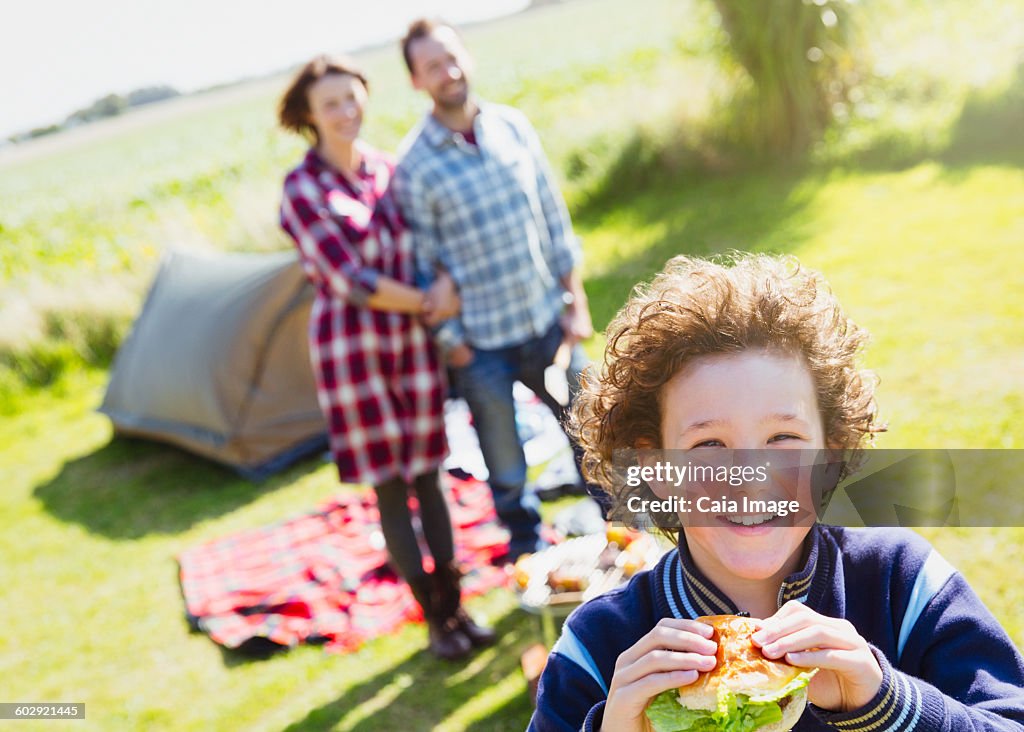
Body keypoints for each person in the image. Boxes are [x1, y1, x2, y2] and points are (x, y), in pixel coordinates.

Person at [529, 254, 1024, 730]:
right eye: (710, 444)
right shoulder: (596, 647)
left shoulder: (903, 582)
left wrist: (885, 701)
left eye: (783, 439)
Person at [277, 55, 494, 660]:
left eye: (352, 98)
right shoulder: (301, 190)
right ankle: (434, 621)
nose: (346, 112)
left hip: (412, 348)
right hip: (354, 355)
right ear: (309, 117)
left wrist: (444, 283)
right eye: (331, 105)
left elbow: (430, 240)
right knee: (392, 490)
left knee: (430, 477)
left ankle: (457, 608)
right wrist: (429, 300)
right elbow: (350, 279)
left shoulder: (389, 171)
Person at [393, 19, 597, 558]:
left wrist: (575, 300)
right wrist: (453, 344)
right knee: (505, 463)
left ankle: (624, 536)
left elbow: (554, 218)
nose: (449, 71)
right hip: (480, 343)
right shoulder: (414, 166)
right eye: (433, 66)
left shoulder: (512, 127)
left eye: (453, 57)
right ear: (416, 80)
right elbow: (421, 267)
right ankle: (529, 551)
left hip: (547, 320)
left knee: (596, 429)